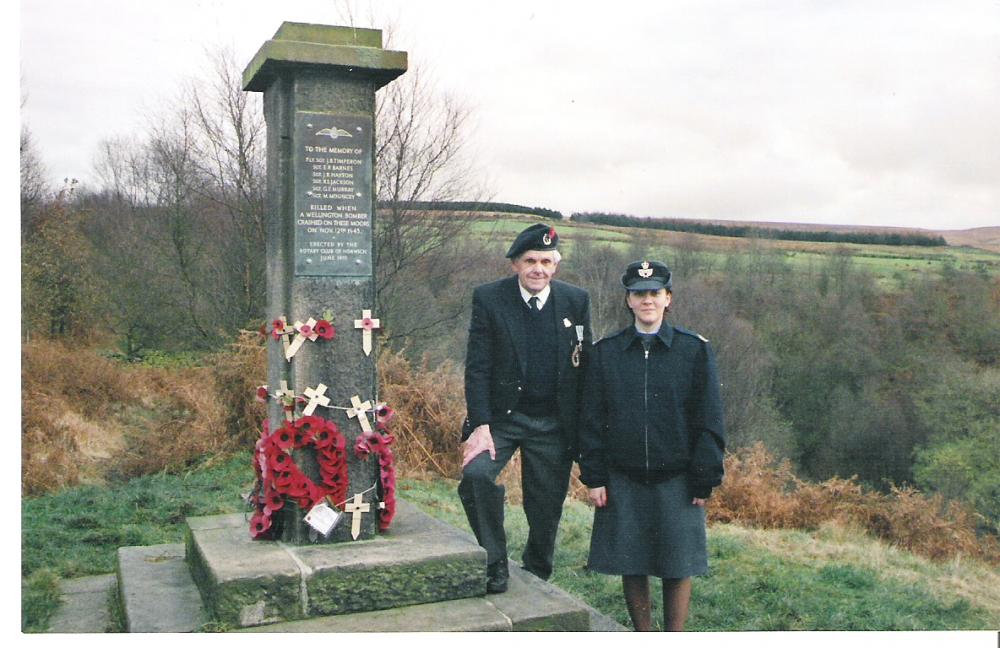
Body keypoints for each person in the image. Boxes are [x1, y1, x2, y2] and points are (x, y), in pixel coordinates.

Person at [578, 260, 725, 631]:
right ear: (628, 300)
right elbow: (591, 421)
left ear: (668, 299)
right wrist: (594, 476)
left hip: (677, 478)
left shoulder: (694, 350)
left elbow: (709, 420)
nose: (647, 301)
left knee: (677, 565)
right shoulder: (606, 352)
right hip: (623, 477)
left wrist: (703, 477)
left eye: (655, 293)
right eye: (639, 294)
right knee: (634, 562)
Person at [458, 223, 592, 593]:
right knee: (476, 477)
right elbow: (478, 366)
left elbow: (584, 365)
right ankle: (494, 562)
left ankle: (537, 574)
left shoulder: (575, 301)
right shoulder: (489, 298)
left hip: (553, 422)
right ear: (515, 264)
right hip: (502, 419)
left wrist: (583, 431)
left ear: (556, 266)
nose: (539, 269)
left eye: (546, 261)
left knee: (545, 507)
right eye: (531, 260)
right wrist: (481, 425)